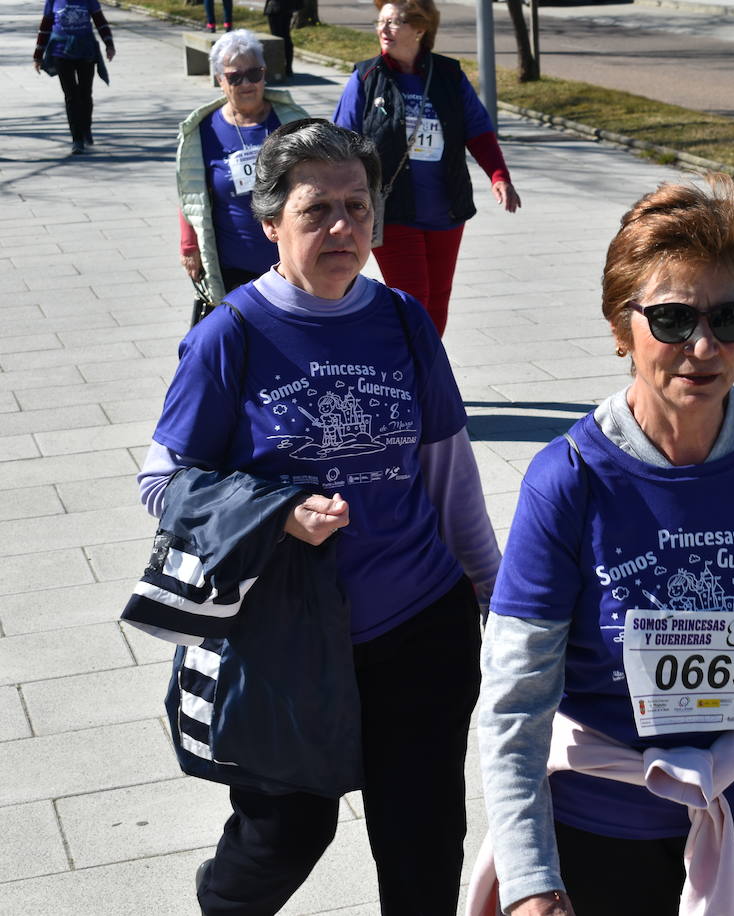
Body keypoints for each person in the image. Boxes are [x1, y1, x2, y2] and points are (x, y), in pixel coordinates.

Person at [474, 176, 734, 916]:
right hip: (611, 832)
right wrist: (531, 876)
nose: (703, 346)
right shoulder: (566, 480)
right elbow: (516, 699)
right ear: (619, 327)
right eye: (671, 318)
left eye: (730, 317)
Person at [137, 118, 501, 915]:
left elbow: (448, 474)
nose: (343, 227)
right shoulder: (229, 334)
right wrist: (277, 513)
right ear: (270, 223)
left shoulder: (404, 322)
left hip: (418, 625)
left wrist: (497, 597)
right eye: (317, 210)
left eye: (358, 207)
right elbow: (164, 481)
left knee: (424, 842)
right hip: (288, 640)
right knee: (285, 836)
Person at [332, 0, 520, 336]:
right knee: (413, 300)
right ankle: (412, 376)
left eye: (394, 22)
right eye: (381, 21)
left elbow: (477, 129)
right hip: (392, 212)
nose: (383, 29)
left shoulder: (448, 75)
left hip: (445, 209)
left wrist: (499, 176)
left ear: (420, 29)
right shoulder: (366, 77)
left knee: (437, 300)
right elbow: (341, 142)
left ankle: (427, 374)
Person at [177, 30, 309, 308]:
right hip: (233, 267)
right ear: (220, 80)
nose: (246, 83)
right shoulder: (203, 130)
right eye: (235, 77)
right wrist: (189, 246)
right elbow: (189, 191)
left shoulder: (292, 121)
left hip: (293, 263)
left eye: (254, 73)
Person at [32, 0, 115, 155]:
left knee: (85, 93)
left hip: (86, 51)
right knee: (71, 96)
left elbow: (100, 22)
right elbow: (45, 27)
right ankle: (77, 139)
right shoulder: (53, 1)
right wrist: (38, 55)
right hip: (61, 52)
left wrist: (109, 44)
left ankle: (86, 129)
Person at [263, 0, 302, 78]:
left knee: (277, 38)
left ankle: (278, 68)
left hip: (275, 7)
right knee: (286, 36)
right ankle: (288, 68)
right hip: (287, 7)